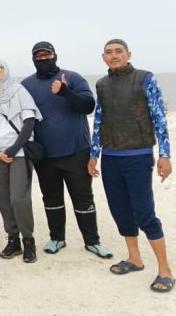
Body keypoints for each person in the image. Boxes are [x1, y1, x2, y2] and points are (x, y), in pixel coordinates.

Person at [89, 39, 173, 293]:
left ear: (128, 54)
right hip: (111, 157)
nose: (114, 56)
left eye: (118, 52)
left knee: (144, 212)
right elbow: (99, 120)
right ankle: (134, 258)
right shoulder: (102, 84)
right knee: (121, 211)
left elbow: (159, 116)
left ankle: (165, 270)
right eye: (109, 52)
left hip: (138, 155)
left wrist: (165, 155)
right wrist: (94, 154)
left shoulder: (145, 78)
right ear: (103, 57)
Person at [20, 41, 112, 258]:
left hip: (76, 150)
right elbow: (19, 116)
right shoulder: (25, 85)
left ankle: (92, 241)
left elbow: (88, 106)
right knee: (51, 198)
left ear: (55, 56)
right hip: (44, 154)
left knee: (83, 198)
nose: (43, 59)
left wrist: (65, 92)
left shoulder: (72, 77)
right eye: (38, 56)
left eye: (47, 55)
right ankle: (57, 238)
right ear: (33, 59)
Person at [0, 58, 42, 263]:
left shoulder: (19, 91)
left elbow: (29, 123)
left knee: (19, 199)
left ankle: (28, 240)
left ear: (5, 70)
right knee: (3, 199)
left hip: (19, 154)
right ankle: (13, 239)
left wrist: (12, 149)